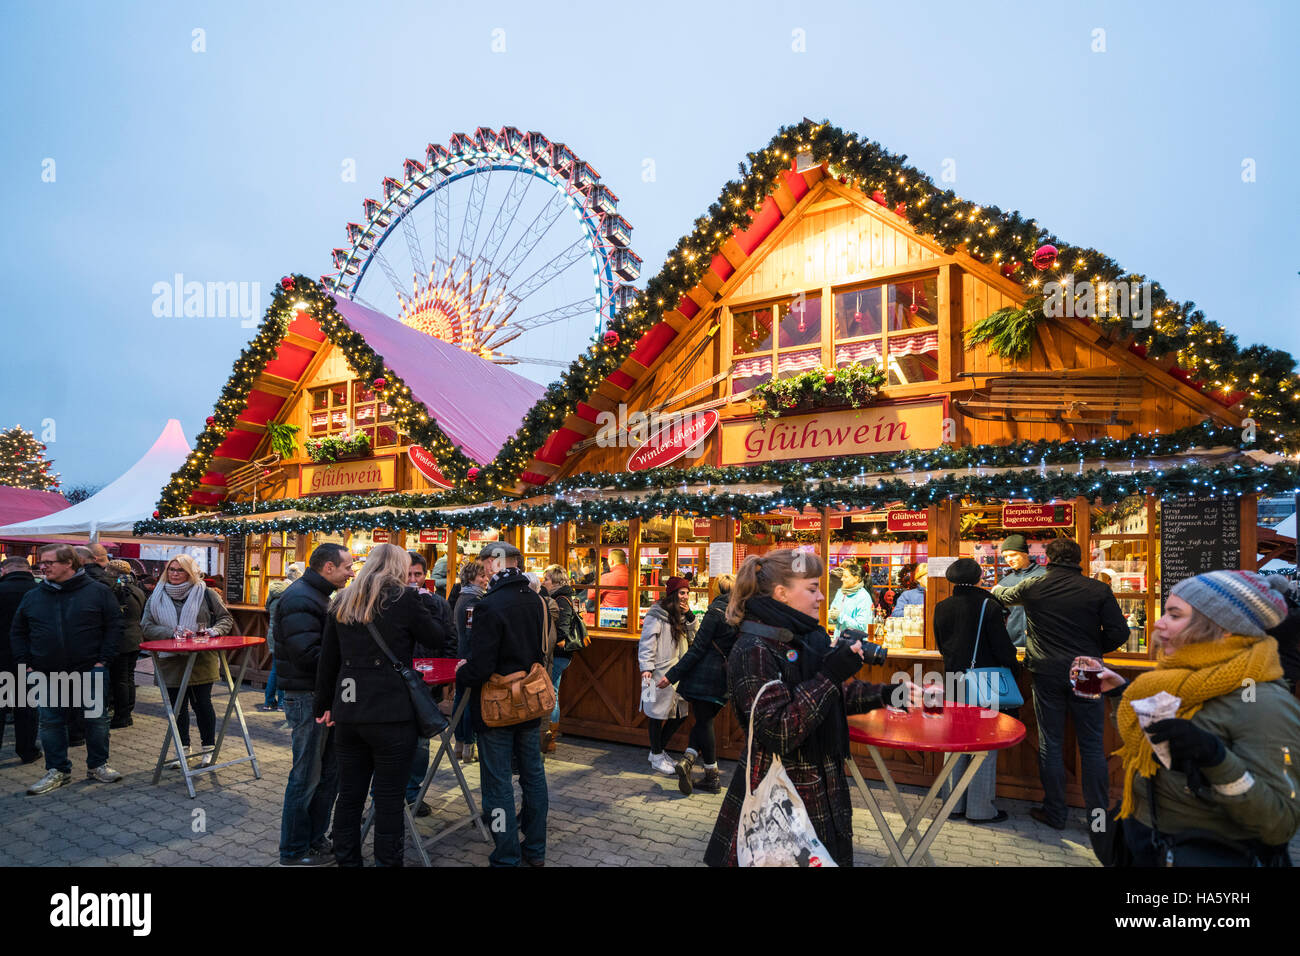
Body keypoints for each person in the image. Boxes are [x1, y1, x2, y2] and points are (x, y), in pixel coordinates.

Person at [704, 550, 918, 867]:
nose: (821, 597)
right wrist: (831, 674)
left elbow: (831, 695)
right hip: (783, 793)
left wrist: (893, 694)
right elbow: (779, 729)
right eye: (812, 588)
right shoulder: (753, 648)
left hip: (817, 787)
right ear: (782, 593)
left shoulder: (801, 637)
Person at [1090, 570, 1300, 865]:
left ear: (1225, 628)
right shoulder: (1177, 678)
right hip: (1149, 843)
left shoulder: (1263, 702)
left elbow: (1280, 823)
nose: (1159, 624)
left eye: (1174, 615)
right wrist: (1120, 694)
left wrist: (1216, 759)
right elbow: (1154, 744)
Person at [314, 544, 440, 867]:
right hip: (392, 715)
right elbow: (441, 639)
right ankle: (387, 862)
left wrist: (324, 706)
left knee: (350, 797)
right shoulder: (406, 599)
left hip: (350, 711)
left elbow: (328, 661)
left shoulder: (342, 600)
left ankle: (348, 861)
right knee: (387, 801)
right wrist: (428, 602)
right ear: (399, 567)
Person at [992, 537, 1127, 830]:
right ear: (1078, 559)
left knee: (1049, 743)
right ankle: (1098, 820)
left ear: (1047, 558)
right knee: (1091, 745)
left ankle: (1055, 814)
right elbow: (1119, 632)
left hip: (1045, 669)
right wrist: (1093, 648)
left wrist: (995, 588)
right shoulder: (1098, 589)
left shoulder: (1033, 586)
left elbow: (1003, 597)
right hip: (1087, 669)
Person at [455, 542, 549, 866]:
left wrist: (462, 672)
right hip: (530, 703)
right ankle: (535, 849)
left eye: (485, 563)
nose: (483, 570)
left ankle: (506, 853)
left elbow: (481, 666)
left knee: (497, 784)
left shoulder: (489, 605)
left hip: (497, 706)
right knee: (532, 775)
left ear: (493, 564)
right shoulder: (534, 599)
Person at [11, 545, 124, 793]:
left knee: (96, 721)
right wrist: (27, 665)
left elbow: (115, 627)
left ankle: (97, 765)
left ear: (69, 564)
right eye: (42, 562)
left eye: (49, 562)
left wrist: (102, 661)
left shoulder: (98, 592)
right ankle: (57, 770)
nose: (43, 566)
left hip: (89, 670)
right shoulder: (34, 595)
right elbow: (18, 631)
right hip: (47, 672)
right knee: (51, 723)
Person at [275, 542, 354, 866]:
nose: (352, 571)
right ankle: (294, 851)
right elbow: (308, 655)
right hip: (307, 697)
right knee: (306, 776)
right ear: (328, 568)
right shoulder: (300, 598)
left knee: (328, 773)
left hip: (321, 697)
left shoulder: (317, 596)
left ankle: (315, 840)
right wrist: (349, 662)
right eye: (348, 566)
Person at [933, 557, 1020, 823]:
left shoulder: (941, 606)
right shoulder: (988, 606)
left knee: (956, 741)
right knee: (984, 744)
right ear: (980, 577)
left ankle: (953, 805)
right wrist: (1013, 666)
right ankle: (980, 809)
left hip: (954, 680)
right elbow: (1004, 650)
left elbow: (942, 646)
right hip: (985, 682)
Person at [140, 555, 234, 768]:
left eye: (180, 570)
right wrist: (171, 632)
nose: (174, 573)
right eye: (171, 569)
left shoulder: (206, 593)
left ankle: (208, 749)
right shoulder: (157, 594)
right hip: (169, 659)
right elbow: (146, 626)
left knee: (202, 704)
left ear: (190, 572)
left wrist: (213, 631)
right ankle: (183, 749)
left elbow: (225, 618)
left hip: (201, 657)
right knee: (176, 707)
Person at [664, 573, 737, 795]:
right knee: (704, 721)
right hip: (728, 678)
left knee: (704, 722)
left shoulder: (715, 612)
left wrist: (672, 675)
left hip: (707, 677)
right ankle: (688, 760)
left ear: (717, 590)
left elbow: (698, 648)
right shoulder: (741, 613)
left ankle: (711, 777)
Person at [402, 551, 455, 815]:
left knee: (422, 742)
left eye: (418, 574)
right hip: (397, 683)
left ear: (426, 575)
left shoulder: (438, 603)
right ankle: (382, 800)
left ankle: (413, 794)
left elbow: (448, 641)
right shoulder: (389, 603)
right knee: (392, 742)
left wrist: (445, 682)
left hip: (427, 682)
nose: (413, 579)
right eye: (408, 574)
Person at [640, 577, 695, 777]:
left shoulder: (681, 615)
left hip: (677, 673)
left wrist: (690, 615)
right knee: (655, 714)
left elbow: (694, 638)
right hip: (656, 672)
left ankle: (658, 750)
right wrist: (646, 667)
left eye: (687, 593)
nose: (685, 596)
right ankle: (656, 755)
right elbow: (647, 641)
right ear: (672, 594)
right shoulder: (656, 614)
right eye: (682, 593)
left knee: (681, 713)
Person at [0, 557, 41, 764]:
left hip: (2, 658)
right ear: (29, 570)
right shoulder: (40, 592)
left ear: (4, 570)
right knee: (27, 707)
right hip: (30, 659)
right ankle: (27, 751)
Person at [541, 565, 582, 754]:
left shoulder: (561, 600)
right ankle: (549, 738)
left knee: (552, 693)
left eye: (547, 579)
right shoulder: (563, 597)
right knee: (553, 692)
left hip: (559, 655)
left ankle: (550, 738)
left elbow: (563, 631)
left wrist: (552, 644)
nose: (544, 582)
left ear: (556, 581)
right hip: (561, 655)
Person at [452, 558, 490, 763]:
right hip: (468, 657)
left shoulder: (462, 597)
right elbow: (470, 634)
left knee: (460, 699)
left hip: (461, 655)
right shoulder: (473, 601)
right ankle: (468, 744)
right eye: (482, 576)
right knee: (468, 701)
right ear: (471, 578)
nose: (485, 580)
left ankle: (459, 744)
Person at [105, 559, 146, 728]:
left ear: (111, 571)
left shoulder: (117, 591)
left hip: (122, 639)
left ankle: (122, 716)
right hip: (135, 637)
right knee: (128, 677)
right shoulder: (138, 589)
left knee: (120, 679)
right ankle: (127, 711)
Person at [257, 563, 301, 712]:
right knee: (282, 669)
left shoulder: (274, 590)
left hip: (272, 632)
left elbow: (266, 607)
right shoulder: (292, 593)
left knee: (276, 667)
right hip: (285, 634)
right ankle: (281, 702)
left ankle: (269, 701)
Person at [997, 535, 1046, 647]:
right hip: (1014, 644)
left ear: (1025, 553)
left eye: (1013, 555)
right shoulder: (1005, 582)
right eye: (1005, 556)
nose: (1009, 559)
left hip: (1042, 644)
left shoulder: (1045, 576)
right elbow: (1000, 615)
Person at [827, 561, 874, 637]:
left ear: (856, 578)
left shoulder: (863, 597)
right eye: (842, 576)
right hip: (839, 642)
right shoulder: (840, 592)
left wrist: (839, 616)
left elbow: (861, 626)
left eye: (845, 577)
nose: (842, 579)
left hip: (855, 645)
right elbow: (834, 618)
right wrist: (830, 616)